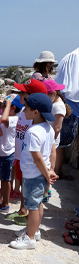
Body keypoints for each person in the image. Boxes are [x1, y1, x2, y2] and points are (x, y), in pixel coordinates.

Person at [10, 93, 57, 249]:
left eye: (26, 109)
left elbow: (37, 157)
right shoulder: (48, 128)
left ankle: (29, 238)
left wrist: (46, 174)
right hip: (40, 174)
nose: (23, 111)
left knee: (33, 206)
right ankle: (34, 230)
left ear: (36, 112)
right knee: (38, 204)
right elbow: (51, 151)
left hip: (33, 174)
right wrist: (50, 170)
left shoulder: (33, 132)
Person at [5, 79, 48, 226]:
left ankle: (28, 216)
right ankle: (22, 210)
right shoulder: (25, 111)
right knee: (22, 183)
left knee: (28, 187)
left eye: (23, 92)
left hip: (28, 158)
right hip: (20, 156)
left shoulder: (34, 115)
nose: (20, 94)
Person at [0, 95, 23, 212]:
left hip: (8, 152)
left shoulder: (15, 119)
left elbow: (3, 120)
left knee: (6, 179)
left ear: (13, 107)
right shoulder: (9, 116)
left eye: (4, 106)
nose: (2, 107)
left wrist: (8, 105)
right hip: (2, 151)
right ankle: (2, 199)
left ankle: (5, 204)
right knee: (3, 178)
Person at [43, 79, 72, 201]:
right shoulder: (55, 103)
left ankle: (46, 190)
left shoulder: (58, 106)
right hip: (49, 139)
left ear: (54, 93)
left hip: (52, 140)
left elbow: (57, 128)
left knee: (48, 165)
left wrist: (50, 142)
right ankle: (46, 188)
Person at [54, 48, 79, 179]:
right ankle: (57, 171)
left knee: (60, 140)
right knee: (62, 141)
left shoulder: (71, 55)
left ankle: (56, 169)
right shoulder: (75, 56)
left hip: (66, 99)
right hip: (73, 102)